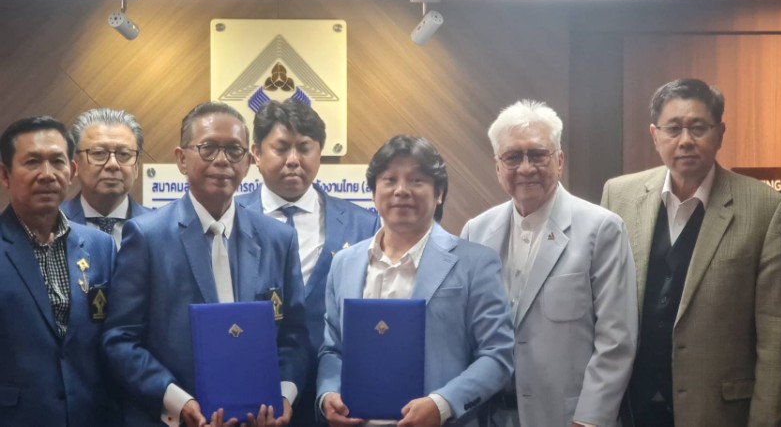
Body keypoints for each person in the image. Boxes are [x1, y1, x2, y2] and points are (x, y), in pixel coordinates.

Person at [601, 78, 781, 426]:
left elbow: (777, 339)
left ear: (720, 133)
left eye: (698, 127)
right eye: (673, 128)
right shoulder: (619, 196)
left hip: (717, 411)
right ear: (654, 135)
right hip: (629, 406)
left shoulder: (766, 209)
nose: (685, 141)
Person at [102, 102, 310, 427]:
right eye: (208, 148)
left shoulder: (278, 239)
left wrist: (282, 396)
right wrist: (179, 402)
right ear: (182, 159)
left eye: (234, 150)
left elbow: (295, 336)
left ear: (249, 161)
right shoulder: (146, 236)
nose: (222, 160)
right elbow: (120, 339)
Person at [461, 100, 638, 427]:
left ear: (559, 161)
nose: (526, 168)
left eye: (538, 155)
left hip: (567, 418)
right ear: (497, 167)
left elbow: (617, 340)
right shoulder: (476, 231)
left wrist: (590, 420)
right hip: (488, 415)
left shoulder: (601, 229)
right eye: (513, 157)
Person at [317, 135, 515, 427]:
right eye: (389, 180)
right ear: (373, 192)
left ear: (439, 194)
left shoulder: (475, 263)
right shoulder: (344, 264)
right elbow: (332, 348)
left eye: (416, 181)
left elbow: (497, 355)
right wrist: (328, 394)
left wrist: (442, 404)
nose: (401, 190)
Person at [237, 99, 380, 427]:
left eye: (304, 148)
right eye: (281, 148)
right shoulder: (231, 221)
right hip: (255, 396)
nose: (293, 160)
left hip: (338, 398)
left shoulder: (363, 225)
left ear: (320, 152)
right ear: (256, 153)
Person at [0, 116, 117, 426]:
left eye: (57, 161)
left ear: (72, 171)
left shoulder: (100, 246)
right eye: (32, 162)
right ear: (5, 175)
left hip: (91, 417)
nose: (47, 174)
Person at [62, 108, 149, 247]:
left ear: (137, 166)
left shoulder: (160, 227)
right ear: (75, 165)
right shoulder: (52, 223)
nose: (113, 164)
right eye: (99, 153)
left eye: (124, 154)